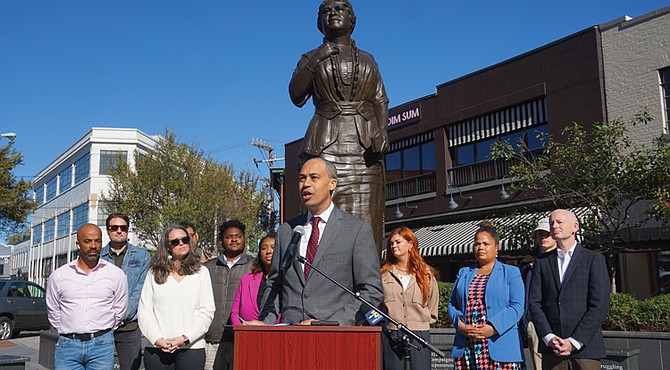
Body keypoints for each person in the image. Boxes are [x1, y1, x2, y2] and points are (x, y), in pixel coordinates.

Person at [289, 0, 390, 253]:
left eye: (340, 9)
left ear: (352, 20)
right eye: (326, 11)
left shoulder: (368, 59)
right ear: (319, 22)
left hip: (364, 149)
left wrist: (382, 131)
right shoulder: (310, 57)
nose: (333, 13)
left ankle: (366, 286)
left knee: (367, 222)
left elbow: (380, 99)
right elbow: (296, 95)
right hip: (325, 145)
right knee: (319, 222)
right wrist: (317, 58)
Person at [258, 157, 383, 325]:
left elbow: (371, 292)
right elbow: (274, 285)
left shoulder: (356, 230)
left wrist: (329, 324)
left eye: (314, 177)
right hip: (290, 338)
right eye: (302, 178)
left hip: (334, 337)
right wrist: (265, 322)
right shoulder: (286, 231)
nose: (306, 184)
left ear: (332, 184)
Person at [528, 209, 610, 370]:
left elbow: (599, 305)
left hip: (586, 348)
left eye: (559, 222)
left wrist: (574, 341)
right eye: (551, 223)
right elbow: (534, 303)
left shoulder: (593, 259)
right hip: (553, 349)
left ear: (575, 227)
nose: (554, 226)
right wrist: (549, 337)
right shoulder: (541, 262)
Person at [46, 223, 128, 369]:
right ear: (78, 244)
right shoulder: (59, 275)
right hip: (68, 346)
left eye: (97, 241)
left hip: (102, 346)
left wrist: (105, 329)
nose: (93, 246)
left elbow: (119, 308)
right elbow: (53, 309)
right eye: (87, 241)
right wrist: (69, 330)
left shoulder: (115, 274)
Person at [447, 221, 526, 369]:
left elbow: (517, 307)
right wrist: (460, 325)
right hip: (467, 344)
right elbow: (451, 304)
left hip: (499, 343)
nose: (480, 247)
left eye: (485, 243)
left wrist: (492, 327)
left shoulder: (511, 272)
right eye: (477, 244)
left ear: (496, 247)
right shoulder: (464, 272)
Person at [138, 224, 215, 370]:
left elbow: (206, 311)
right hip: (157, 349)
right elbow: (144, 311)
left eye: (185, 239)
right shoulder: (154, 273)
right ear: (167, 246)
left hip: (191, 348)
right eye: (175, 241)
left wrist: (184, 339)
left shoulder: (202, 272)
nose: (181, 243)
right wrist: (158, 340)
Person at [380, 226, 439, 370]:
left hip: (419, 335)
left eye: (398, 242)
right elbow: (377, 304)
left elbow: (432, 304)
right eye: (391, 243)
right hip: (391, 335)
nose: (394, 246)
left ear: (410, 244)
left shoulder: (426, 274)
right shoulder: (383, 274)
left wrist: (421, 322)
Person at [101, 213, 151, 370]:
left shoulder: (142, 256)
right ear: (108, 230)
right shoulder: (98, 257)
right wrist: (109, 316)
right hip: (102, 326)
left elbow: (140, 289)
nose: (118, 231)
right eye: (114, 227)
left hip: (129, 326)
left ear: (128, 230)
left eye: (122, 227)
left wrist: (122, 315)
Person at [204, 220, 254, 370]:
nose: (234, 240)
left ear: (244, 238)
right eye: (229, 237)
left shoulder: (255, 266)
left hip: (241, 339)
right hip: (211, 339)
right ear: (221, 240)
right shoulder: (208, 268)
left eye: (238, 236)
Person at [518, 218, 557, 370]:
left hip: (558, 321)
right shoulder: (527, 263)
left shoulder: (563, 260)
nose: (543, 237)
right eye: (539, 234)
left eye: (547, 234)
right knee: (539, 364)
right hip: (534, 321)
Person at [230, 232, 277, 325]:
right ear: (259, 253)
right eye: (264, 248)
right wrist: (240, 329)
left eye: (273, 247)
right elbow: (234, 311)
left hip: (277, 334)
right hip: (247, 334)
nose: (268, 251)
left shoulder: (287, 279)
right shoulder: (247, 279)